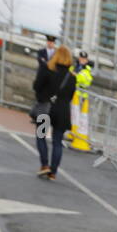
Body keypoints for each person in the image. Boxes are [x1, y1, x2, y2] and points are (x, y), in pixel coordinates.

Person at [32, 45, 76, 180]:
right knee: (57, 142)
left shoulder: (47, 69)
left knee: (41, 136)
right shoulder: (72, 77)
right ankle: (53, 172)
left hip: (46, 109)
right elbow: (70, 96)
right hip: (62, 113)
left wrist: (42, 97)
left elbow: (36, 86)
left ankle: (44, 164)